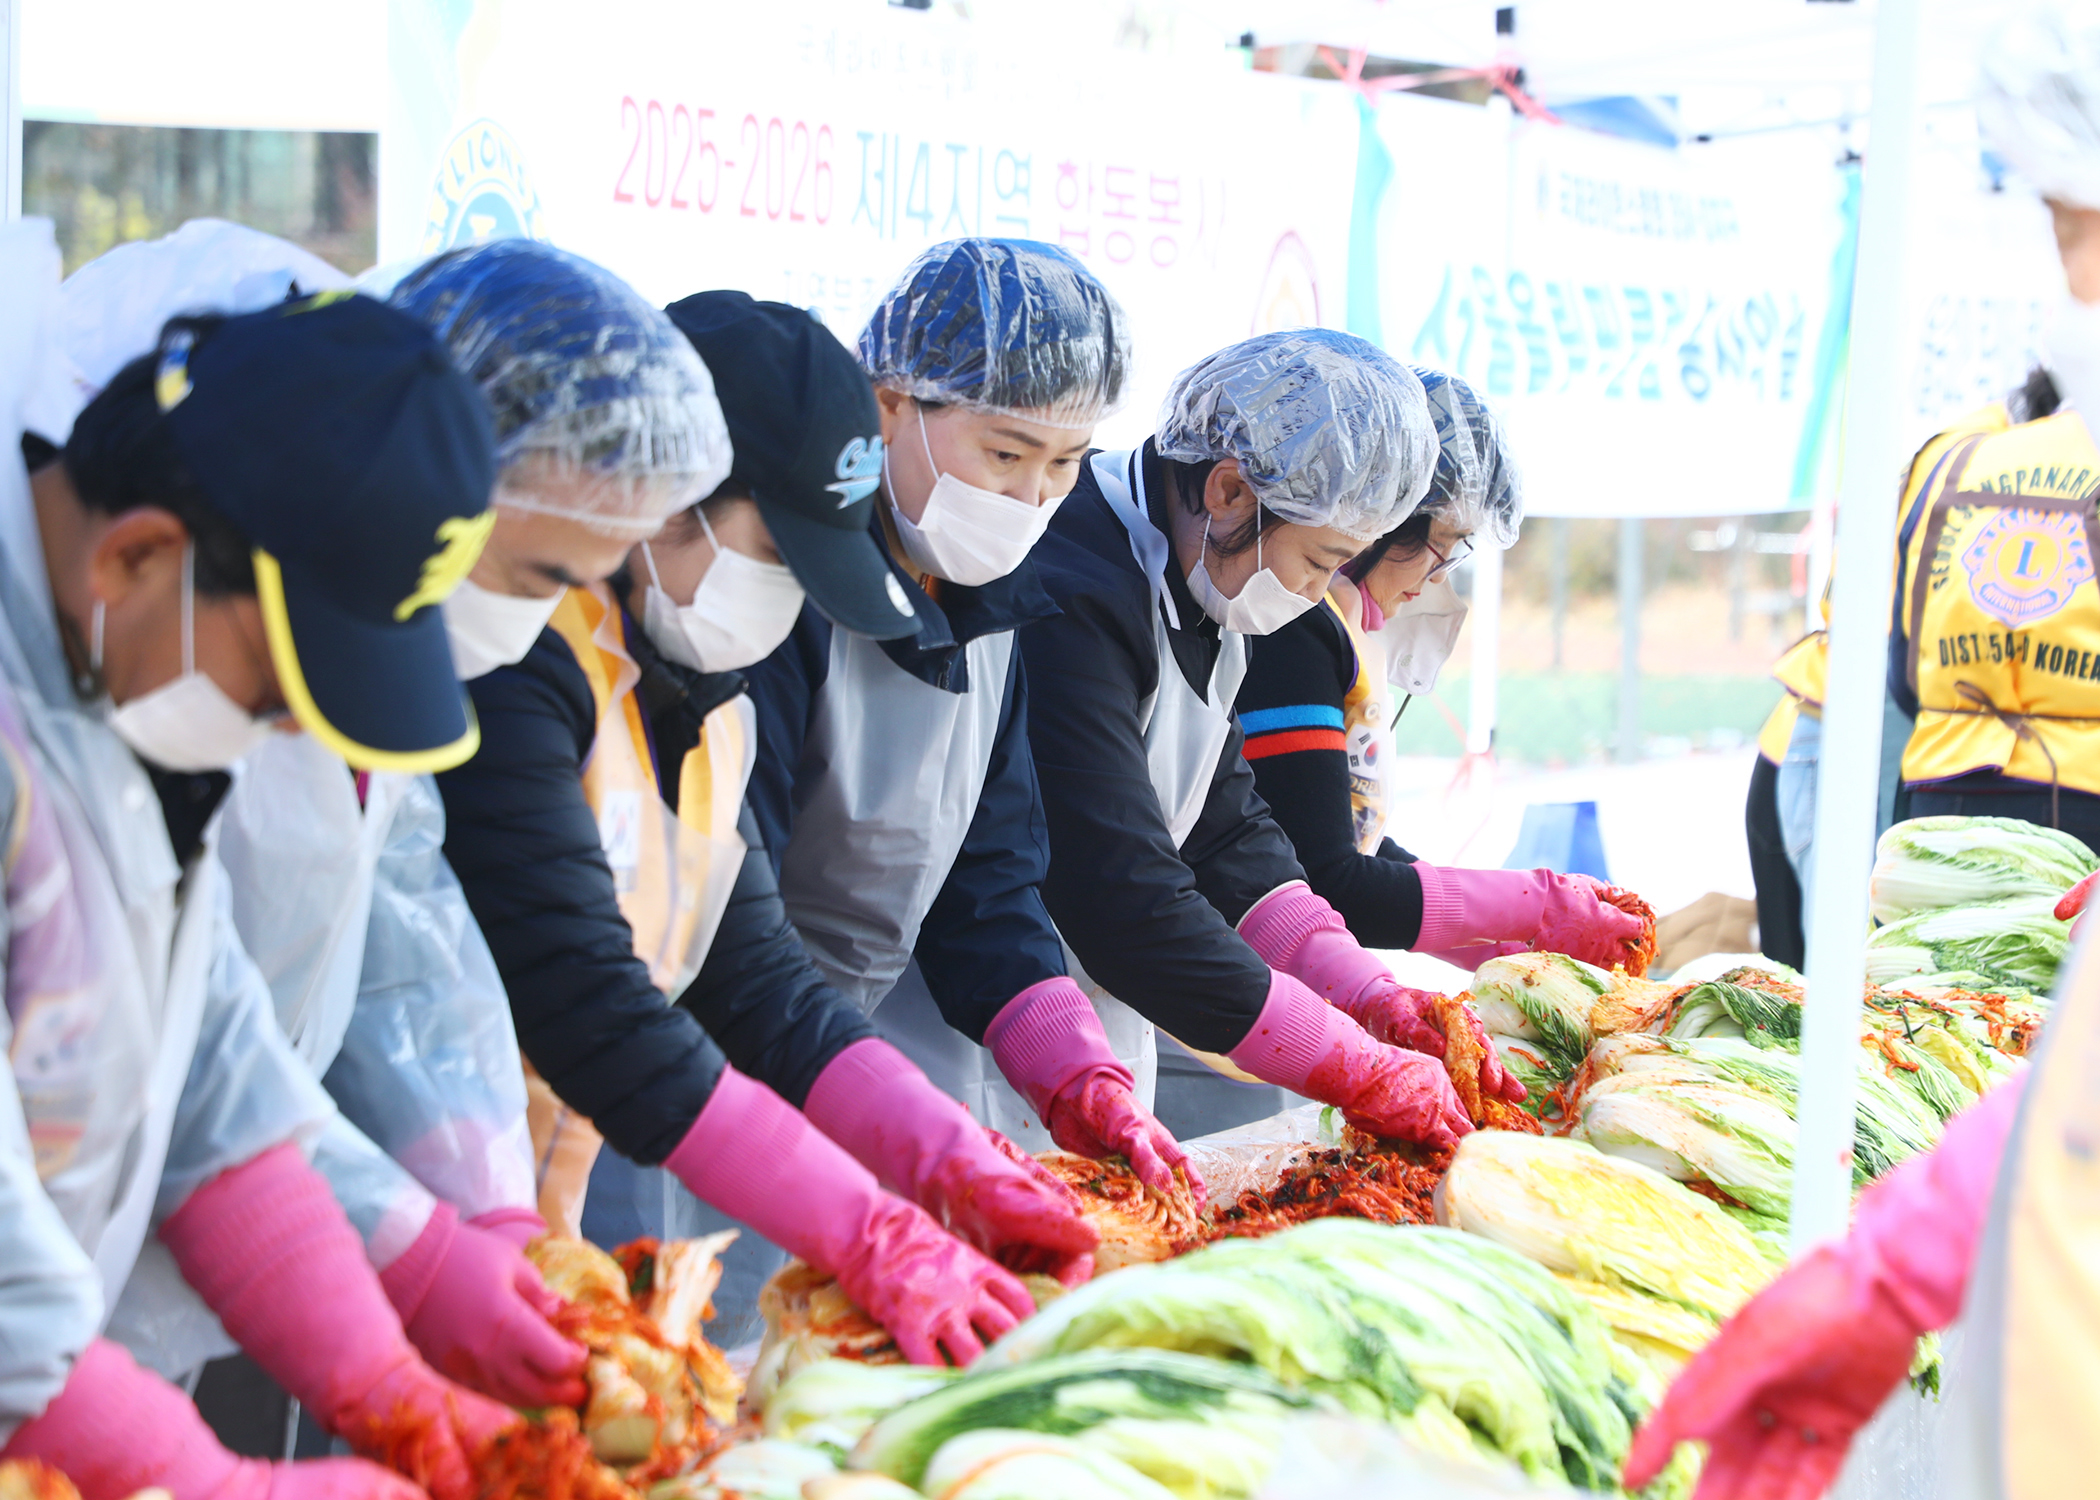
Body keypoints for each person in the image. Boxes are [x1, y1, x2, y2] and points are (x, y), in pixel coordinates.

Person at [410, 246, 1068, 1368]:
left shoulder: (710, 702)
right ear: (663, 505)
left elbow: (756, 978)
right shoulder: (521, 667)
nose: (789, 605)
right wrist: (867, 1230)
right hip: (405, 1244)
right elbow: (593, 1007)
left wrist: (946, 1159)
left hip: (527, 1254)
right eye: (774, 554)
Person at [1625, 11, 2100, 1495]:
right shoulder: (1975, 457)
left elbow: (1868, 696)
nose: (2070, 277)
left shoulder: (1955, 462)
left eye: (2075, 225)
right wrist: (1912, 1256)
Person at [0, 221, 514, 1500]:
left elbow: (213, 1073)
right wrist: (215, 1482)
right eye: (277, 688)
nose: (280, 733)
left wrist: (384, 1377)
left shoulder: (110, 676)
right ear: (138, 552)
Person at [740, 238, 1197, 1193]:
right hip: (729, 1069)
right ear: (890, 403)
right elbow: (731, 921)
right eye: (1004, 453)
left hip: (850, 1064)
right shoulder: (772, 598)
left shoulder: (993, 607)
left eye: (1067, 464)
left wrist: (1076, 1069)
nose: (1030, 499)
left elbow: (983, 885)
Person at [1013, 330, 1525, 1151]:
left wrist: (1365, 992)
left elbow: (1225, 826)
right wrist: (1349, 1061)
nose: (1321, 595)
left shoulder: (1212, 574)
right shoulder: (1077, 584)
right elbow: (1120, 891)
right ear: (1226, 490)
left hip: (1101, 1040)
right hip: (978, 1039)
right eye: (1322, 561)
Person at [1234, 368, 1640, 984]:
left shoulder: (1340, 625)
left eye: (1458, 551)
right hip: (1219, 983)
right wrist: (1534, 903)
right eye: (1439, 544)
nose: (1439, 577)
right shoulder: (1293, 627)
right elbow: (1332, 879)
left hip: (1271, 973)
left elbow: (1349, 841)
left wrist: (1497, 948)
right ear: (1383, 518)